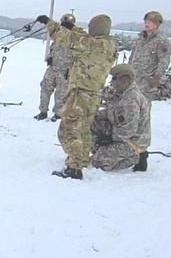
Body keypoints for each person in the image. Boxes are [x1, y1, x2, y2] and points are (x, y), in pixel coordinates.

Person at [36, 13, 118, 180]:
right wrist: (72, 27)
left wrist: (49, 23)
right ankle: (81, 159)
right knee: (84, 130)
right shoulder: (109, 44)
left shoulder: (91, 44)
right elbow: (81, 36)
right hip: (94, 94)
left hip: (80, 93)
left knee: (70, 130)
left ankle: (73, 168)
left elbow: (65, 37)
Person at [90, 65, 151, 171]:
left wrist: (109, 138)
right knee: (92, 122)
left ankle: (135, 158)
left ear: (125, 79)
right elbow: (112, 111)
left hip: (132, 143)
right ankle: (103, 151)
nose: (112, 82)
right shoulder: (121, 92)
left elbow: (127, 131)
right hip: (121, 135)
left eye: (114, 78)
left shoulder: (131, 99)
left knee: (97, 162)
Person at [35, 13, 76, 121]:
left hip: (64, 71)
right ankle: (42, 112)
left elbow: (77, 57)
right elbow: (53, 45)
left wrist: (71, 70)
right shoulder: (58, 35)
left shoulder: (75, 37)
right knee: (45, 89)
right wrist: (50, 57)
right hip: (53, 69)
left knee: (61, 94)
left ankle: (58, 114)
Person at [129, 10, 171, 100]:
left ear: (156, 25)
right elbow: (132, 56)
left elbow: (164, 60)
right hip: (134, 79)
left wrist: (157, 77)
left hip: (147, 81)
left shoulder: (161, 41)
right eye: (145, 22)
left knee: (144, 107)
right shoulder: (140, 39)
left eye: (149, 22)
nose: (146, 24)